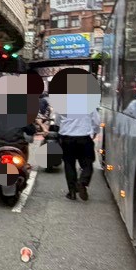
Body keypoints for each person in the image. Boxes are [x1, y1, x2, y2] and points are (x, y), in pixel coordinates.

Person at [52, 73, 102, 201]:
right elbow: (96, 121)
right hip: (84, 138)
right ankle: (83, 182)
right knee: (88, 163)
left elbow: (57, 122)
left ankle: (72, 192)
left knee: (69, 165)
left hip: (67, 139)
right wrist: (95, 131)